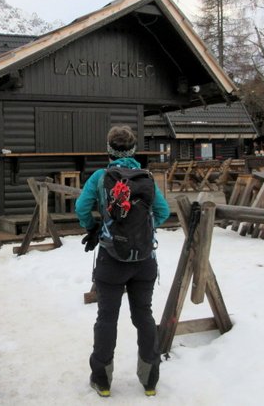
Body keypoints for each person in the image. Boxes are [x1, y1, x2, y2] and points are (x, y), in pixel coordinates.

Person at [75, 125, 170, 398]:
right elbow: (163, 211)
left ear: (108, 150)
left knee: (107, 318)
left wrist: (93, 227)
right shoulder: (146, 177)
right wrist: (142, 231)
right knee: (144, 316)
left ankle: (102, 381)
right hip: (144, 259)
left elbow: (81, 207)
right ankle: (150, 380)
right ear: (133, 150)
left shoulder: (100, 177)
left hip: (111, 259)